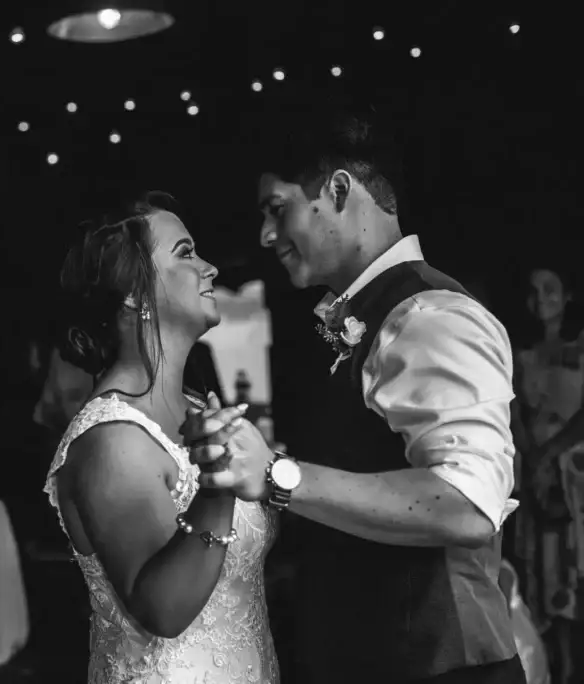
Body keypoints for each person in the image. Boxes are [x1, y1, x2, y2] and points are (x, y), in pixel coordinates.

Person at [184, 111, 525, 683]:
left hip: (441, 667)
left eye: (277, 209)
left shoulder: (429, 314)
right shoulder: (363, 316)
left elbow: (467, 506)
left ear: (339, 190)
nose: (266, 235)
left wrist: (275, 474)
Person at [44, 192, 279, 683]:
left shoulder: (200, 409)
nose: (209, 267)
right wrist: (216, 487)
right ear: (132, 291)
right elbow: (164, 610)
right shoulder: (109, 440)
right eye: (186, 252)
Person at [510, 264, 584, 684]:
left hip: (574, 476)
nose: (542, 300)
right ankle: (553, 664)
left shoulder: (581, 347)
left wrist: (551, 452)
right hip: (537, 474)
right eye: (534, 291)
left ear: (567, 295)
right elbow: (515, 409)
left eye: (550, 290)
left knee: (574, 567)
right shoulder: (524, 352)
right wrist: (531, 453)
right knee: (544, 567)